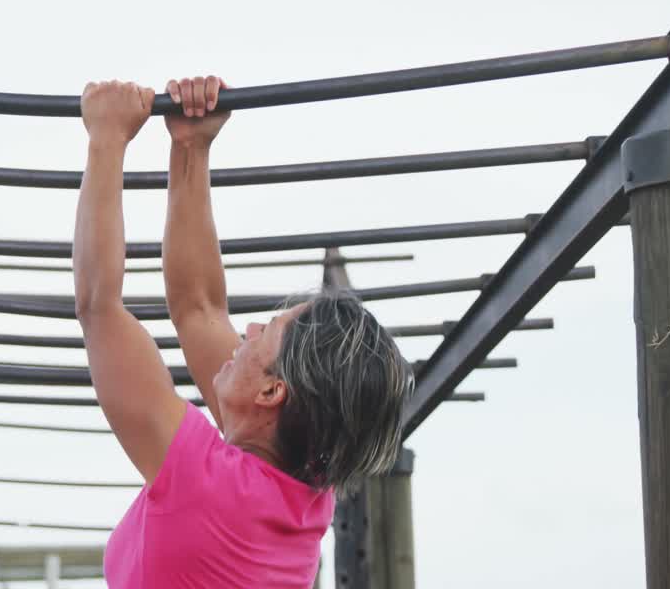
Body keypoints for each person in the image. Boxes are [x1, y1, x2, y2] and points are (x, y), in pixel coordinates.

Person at [73, 76, 415, 588]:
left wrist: (107, 140)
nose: (248, 330)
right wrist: (191, 148)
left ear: (273, 391)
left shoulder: (207, 486)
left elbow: (99, 307)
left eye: (268, 329)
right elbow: (200, 308)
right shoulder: (301, 498)